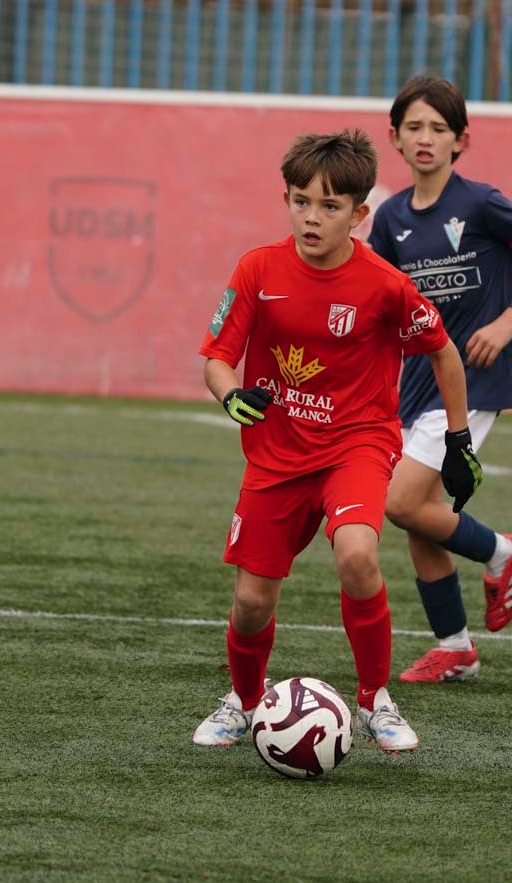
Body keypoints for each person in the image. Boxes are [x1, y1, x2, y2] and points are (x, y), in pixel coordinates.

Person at [192, 129, 483, 754]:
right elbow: (217, 357)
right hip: (276, 454)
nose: (311, 217)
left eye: (329, 206)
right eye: (300, 202)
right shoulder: (257, 269)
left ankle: (375, 700)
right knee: (250, 602)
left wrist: (459, 441)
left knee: (357, 554)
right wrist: (230, 394)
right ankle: (243, 703)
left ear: (359, 214)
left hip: (357, 444)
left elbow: (445, 354)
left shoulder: (384, 284)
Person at [366, 75, 512, 684]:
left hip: (475, 379)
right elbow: (375, 298)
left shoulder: (482, 203)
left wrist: (509, 320)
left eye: (439, 128)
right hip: (415, 384)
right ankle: (456, 647)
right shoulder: (391, 219)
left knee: (400, 502)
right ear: (394, 138)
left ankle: (507, 551)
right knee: (419, 512)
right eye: (414, 128)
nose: (426, 139)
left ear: (462, 140)